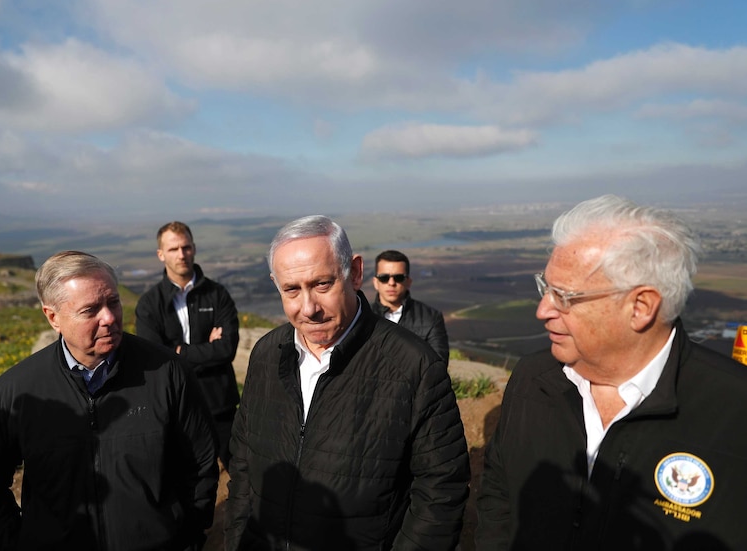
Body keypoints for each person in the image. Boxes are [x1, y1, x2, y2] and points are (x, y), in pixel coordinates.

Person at [476, 195, 747, 550]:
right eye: (546, 288)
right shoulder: (534, 379)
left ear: (641, 307)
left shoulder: (734, 411)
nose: (543, 310)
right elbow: (500, 491)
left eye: (565, 297)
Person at [225, 215, 470, 550]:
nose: (308, 308)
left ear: (354, 273)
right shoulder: (267, 355)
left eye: (322, 284)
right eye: (292, 290)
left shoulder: (414, 366)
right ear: (275, 284)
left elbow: (442, 490)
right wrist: (239, 540)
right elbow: (242, 463)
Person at [0, 251, 219, 551]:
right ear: (52, 317)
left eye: (113, 302)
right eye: (90, 309)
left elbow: (201, 466)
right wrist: (21, 542)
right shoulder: (18, 390)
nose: (109, 317)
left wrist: (186, 538)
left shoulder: (167, 373)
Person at [136, 221, 240, 470]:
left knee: (238, 471)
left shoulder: (217, 295)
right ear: (161, 254)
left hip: (220, 403)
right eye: (173, 249)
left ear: (194, 248)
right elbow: (154, 358)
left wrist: (179, 351)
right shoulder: (150, 304)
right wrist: (206, 350)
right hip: (175, 404)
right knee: (183, 477)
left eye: (186, 247)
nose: (181, 255)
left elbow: (227, 349)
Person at [370, 249, 450, 361]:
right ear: (375, 282)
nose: (391, 283)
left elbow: (438, 365)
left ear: (408, 282)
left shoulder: (431, 318)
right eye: (384, 278)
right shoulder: (361, 316)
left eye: (398, 277)